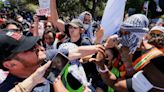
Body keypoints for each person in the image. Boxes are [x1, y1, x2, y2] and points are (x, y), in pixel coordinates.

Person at [92, 14, 164, 92]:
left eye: (126, 33)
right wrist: (105, 45)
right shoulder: (122, 47)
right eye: (120, 33)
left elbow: (137, 86)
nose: (122, 38)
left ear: (140, 35)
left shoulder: (155, 58)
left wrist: (128, 65)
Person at [0, 29, 66, 92]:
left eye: (37, 44)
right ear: (10, 64)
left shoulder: (42, 59)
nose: (41, 48)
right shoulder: (8, 89)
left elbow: (66, 51)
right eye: (32, 48)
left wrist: (53, 76)